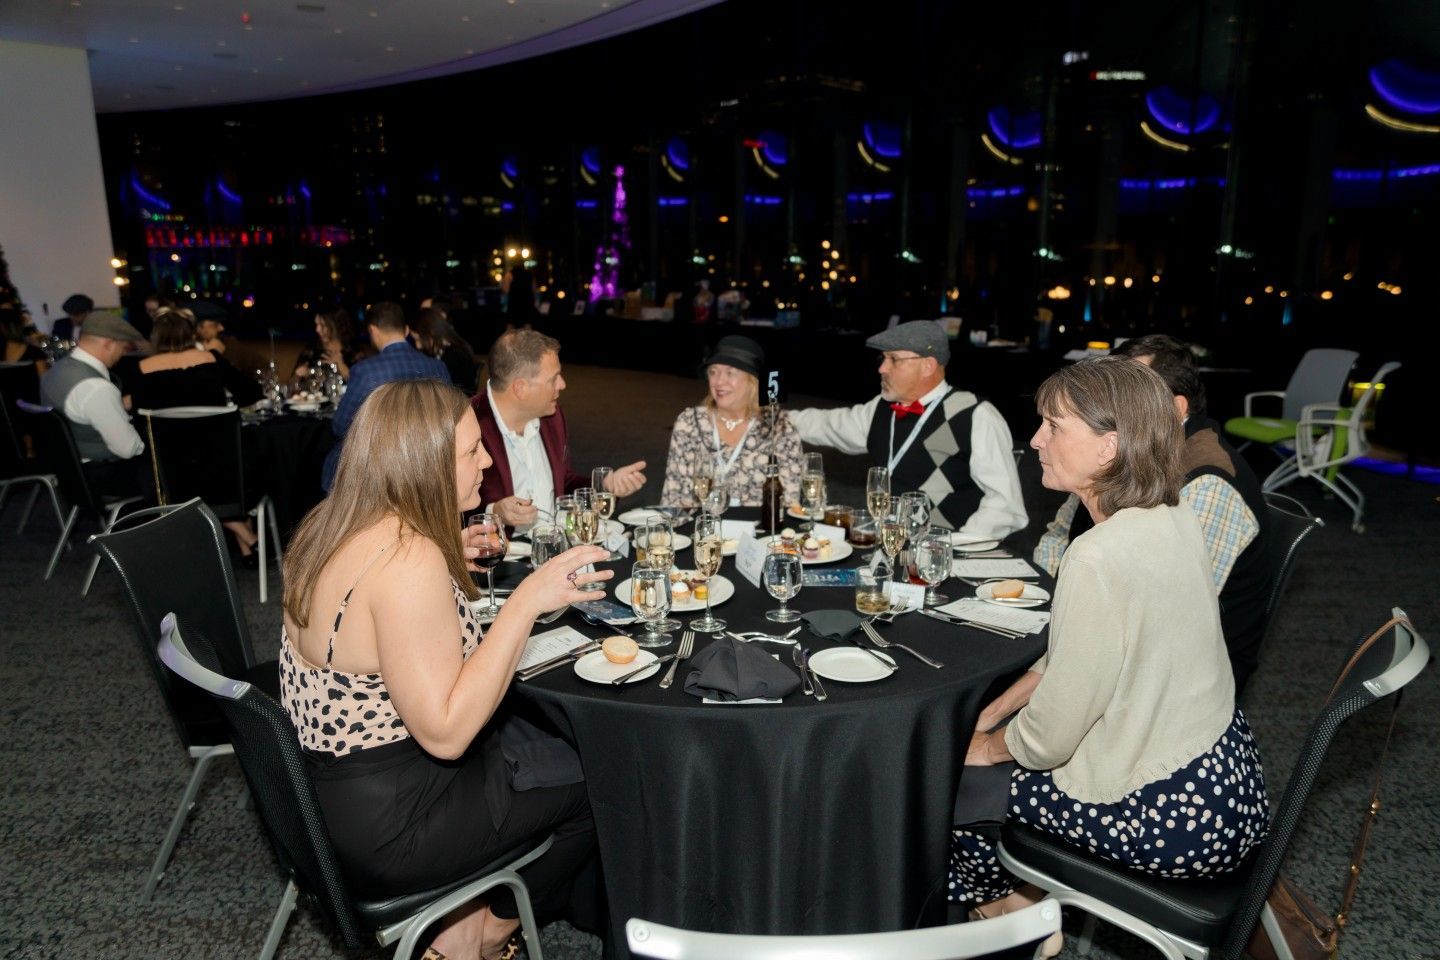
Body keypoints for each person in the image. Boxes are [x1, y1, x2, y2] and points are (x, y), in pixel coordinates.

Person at [949, 357, 1268, 951]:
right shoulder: (1173, 514)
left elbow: (1048, 742)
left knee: (946, 784)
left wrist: (983, 749)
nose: (1036, 440)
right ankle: (1023, 900)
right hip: (1228, 787)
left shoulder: (1098, 558)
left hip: (1172, 817)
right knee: (972, 749)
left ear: (1109, 449)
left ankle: (1006, 916)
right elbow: (1072, 658)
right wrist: (986, 718)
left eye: (1053, 426)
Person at [279, 379, 601, 960]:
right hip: (395, 821)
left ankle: (459, 921)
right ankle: (485, 936)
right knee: (595, 782)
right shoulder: (409, 561)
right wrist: (528, 600)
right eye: (471, 452)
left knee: (535, 745)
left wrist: (447, 545)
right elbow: (448, 735)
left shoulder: (330, 526)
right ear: (421, 465)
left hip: (324, 792)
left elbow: (372, 610)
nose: (486, 464)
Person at [1034, 334, 1272, 694]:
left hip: (1180, 683)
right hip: (1101, 629)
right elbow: (1059, 536)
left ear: (1175, 408)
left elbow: (1169, 623)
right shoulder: (1118, 459)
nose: (1115, 404)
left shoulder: (1207, 484)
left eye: (1133, 391)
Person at [787, 320, 1027, 537]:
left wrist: (953, 546)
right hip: (891, 543)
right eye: (882, 359)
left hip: (949, 556)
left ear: (928, 366)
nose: (882, 368)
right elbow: (827, 424)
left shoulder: (976, 415)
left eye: (894, 359)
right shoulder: (880, 409)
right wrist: (776, 418)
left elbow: (1005, 506)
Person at [471, 329, 645, 529]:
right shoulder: (465, 425)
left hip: (554, 543)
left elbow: (563, 483)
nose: (562, 384)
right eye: (553, 379)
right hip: (499, 554)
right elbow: (444, 508)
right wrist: (493, 512)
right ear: (520, 388)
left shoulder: (552, 417)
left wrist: (605, 486)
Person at [131, 307, 264, 564]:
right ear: (190, 335)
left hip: (169, 480)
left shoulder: (141, 369)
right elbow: (251, 393)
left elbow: (140, 419)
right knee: (241, 455)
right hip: (225, 476)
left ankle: (245, 542)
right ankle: (245, 534)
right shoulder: (211, 360)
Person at [660, 335, 803, 507]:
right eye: (713, 372)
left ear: (753, 382)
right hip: (700, 529)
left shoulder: (780, 428)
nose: (719, 381)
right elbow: (674, 498)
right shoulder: (689, 423)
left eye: (730, 372)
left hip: (758, 531)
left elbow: (789, 503)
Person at [322, 302, 450, 491]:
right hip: (427, 464)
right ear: (406, 330)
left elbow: (340, 426)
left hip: (378, 471)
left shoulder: (366, 371)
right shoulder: (438, 367)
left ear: (373, 331)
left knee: (333, 458)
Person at [37, 311, 147, 498]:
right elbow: (129, 449)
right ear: (109, 343)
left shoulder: (55, 371)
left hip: (69, 471)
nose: (122, 354)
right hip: (104, 478)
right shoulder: (97, 388)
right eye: (123, 347)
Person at [412, 305, 480, 392]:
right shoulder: (447, 351)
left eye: (419, 339)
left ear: (431, 332)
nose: (418, 345)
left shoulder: (455, 355)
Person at [293, 305, 363, 384]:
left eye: (323, 325)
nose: (317, 329)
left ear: (337, 326)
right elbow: (293, 382)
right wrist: (302, 374)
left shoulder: (353, 352)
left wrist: (341, 365)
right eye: (316, 324)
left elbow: (361, 386)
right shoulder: (312, 350)